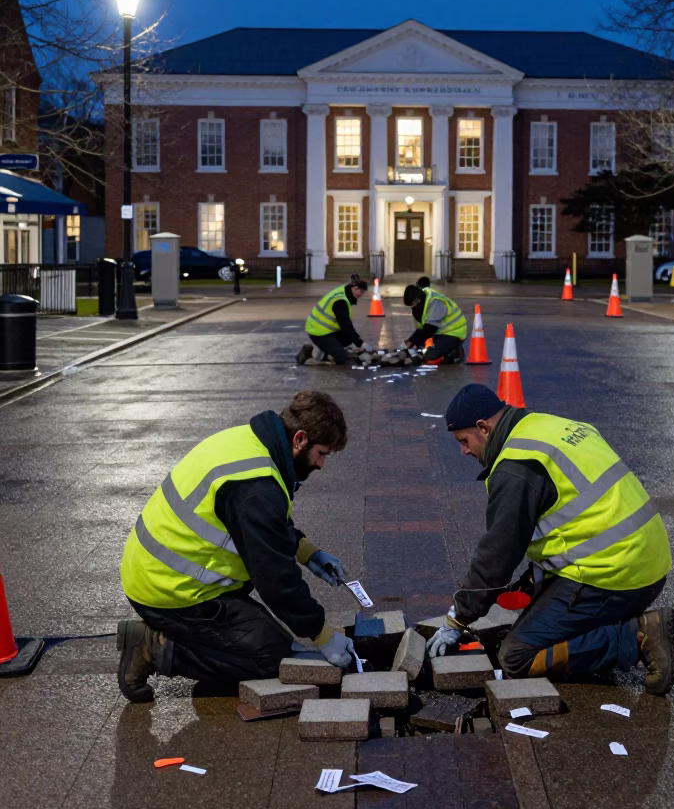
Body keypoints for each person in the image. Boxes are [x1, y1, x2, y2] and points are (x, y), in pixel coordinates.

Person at [427, 383, 674, 694]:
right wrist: (533, 581)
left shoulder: (516, 467)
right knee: (538, 605)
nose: (463, 451)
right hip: (647, 560)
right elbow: (571, 521)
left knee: (516, 657)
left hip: (616, 575)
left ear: (483, 428)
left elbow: (497, 557)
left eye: (463, 441)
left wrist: (458, 619)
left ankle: (637, 636)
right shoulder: (549, 425)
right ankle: (612, 621)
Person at [117, 390, 355, 702]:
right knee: (272, 659)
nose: (321, 464)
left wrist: (307, 552)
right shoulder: (256, 489)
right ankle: (155, 645)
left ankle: (177, 637)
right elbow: (277, 582)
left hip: (158, 572)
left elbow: (260, 525)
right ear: (299, 440)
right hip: (171, 590)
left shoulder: (249, 443)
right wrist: (322, 634)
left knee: (270, 642)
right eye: (321, 453)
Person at [296, 273, 371, 365]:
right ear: (355, 288)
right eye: (361, 292)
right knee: (342, 357)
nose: (361, 295)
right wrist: (360, 344)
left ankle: (324, 348)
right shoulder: (340, 302)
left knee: (349, 338)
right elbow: (346, 326)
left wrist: (357, 341)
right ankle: (314, 354)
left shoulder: (344, 291)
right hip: (318, 332)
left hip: (323, 330)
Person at [403, 275, 467, 364]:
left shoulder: (435, 302)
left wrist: (412, 340)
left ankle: (455, 352)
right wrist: (413, 342)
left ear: (417, 300)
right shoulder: (421, 299)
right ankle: (444, 348)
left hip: (454, 332)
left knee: (429, 356)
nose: (412, 308)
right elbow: (422, 330)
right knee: (419, 349)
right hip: (439, 332)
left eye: (412, 305)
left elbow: (429, 330)